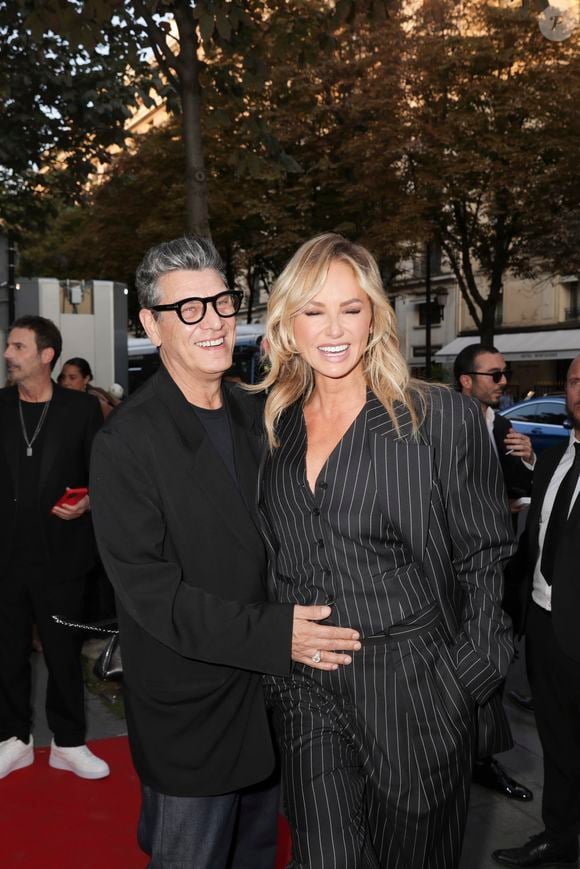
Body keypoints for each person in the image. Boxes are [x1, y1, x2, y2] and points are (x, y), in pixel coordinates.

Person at [89, 236, 361, 868]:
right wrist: (276, 634)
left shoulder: (257, 411)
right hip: (193, 712)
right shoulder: (127, 442)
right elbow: (151, 596)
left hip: (273, 706)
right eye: (188, 309)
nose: (212, 321)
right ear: (151, 327)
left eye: (221, 301)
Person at [254, 233, 515, 869]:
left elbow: (485, 559)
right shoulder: (273, 423)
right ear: (289, 322)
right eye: (313, 310)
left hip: (417, 691)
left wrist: (463, 684)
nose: (333, 327)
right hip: (308, 691)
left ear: (375, 315)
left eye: (351, 307)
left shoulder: (438, 418)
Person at [0, 316, 109, 780]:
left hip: (63, 556)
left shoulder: (80, 410)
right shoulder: (0, 405)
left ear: (47, 355)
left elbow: (103, 473)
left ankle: (68, 743)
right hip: (5, 556)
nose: (8, 354)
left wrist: (88, 501)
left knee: (63, 653)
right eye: (8, 346)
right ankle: (14, 739)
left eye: (18, 347)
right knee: (7, 654)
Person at [492, 355, 580, 868]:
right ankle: (559, 836)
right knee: (557, 743)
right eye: (573, 381)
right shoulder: (552, 460)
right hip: (545, 628)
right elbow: (535, 546)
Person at [454, 343, 534, 801]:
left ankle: (481, 758)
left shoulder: (503, 427)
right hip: (446, 569)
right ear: (467, 380)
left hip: (493, 569)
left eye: (505, 374)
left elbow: (518, 492)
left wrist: (526, 464)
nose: (504, 383)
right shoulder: (433, 423)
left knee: (492, 664)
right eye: (495, 375)